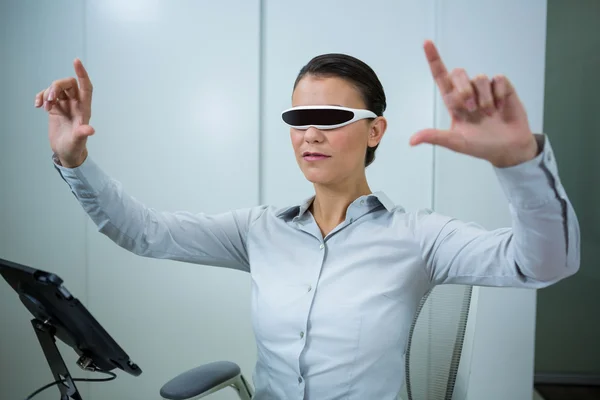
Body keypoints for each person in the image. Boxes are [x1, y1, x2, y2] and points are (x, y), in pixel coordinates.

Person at [35, 40, 580, 400]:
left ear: (375, 131)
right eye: (299, 118)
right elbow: (143, 232)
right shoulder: (259, 230)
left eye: (331, 118)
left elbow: (540, 264)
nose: (310, 134)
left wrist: (520, 164)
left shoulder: (420, 236)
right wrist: (73, 159)